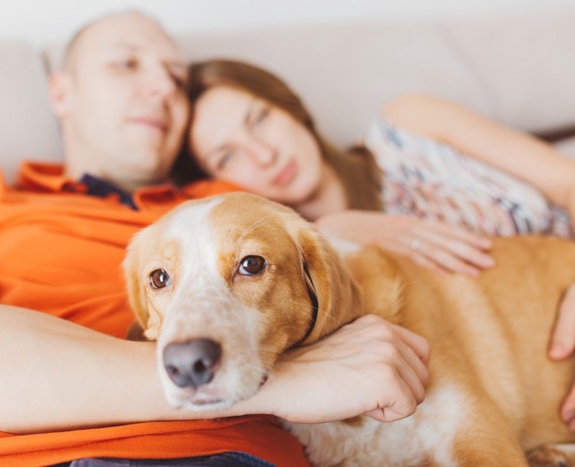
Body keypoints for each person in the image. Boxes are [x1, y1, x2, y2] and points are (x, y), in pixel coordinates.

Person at [0, 12, 431, 467]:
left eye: (176, 79)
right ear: (61, 91)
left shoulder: (235, 202)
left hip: (223, 457)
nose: (162, 87)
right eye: (126, 63)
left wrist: (343, 221)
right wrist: (280, 382)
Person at [182, 58, 575, 431]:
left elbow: (568, 181)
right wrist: (331, 228)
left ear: (291, 107)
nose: (264, 154)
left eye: (260, 118)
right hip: (541, 377)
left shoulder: (408, 125)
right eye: (228, 155)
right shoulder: (315, 282)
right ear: (219, 185)